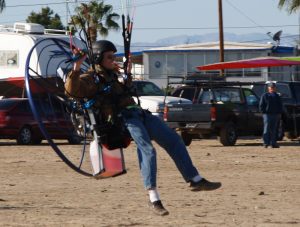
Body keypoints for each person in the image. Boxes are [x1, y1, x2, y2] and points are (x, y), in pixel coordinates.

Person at [65, 40, 221, 216]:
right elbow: (72, 90)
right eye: (109, 56)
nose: (112, 59)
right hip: (122, 119)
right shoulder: (91, 77)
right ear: (98, 58)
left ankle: (195, 180)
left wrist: (127, 74)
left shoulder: (113, 74)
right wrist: (77, 66)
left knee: (174, 140)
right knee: (148, 150)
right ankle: (154, 198)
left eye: (113, 56)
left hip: (139, 113)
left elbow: (128, 91)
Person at [259, 82, 283, 148]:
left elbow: (280, 105)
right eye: (271, 87)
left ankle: (273, 143)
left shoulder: (277, 96)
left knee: (274, 129)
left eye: (274, 87)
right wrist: (263, 112)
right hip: (267, 114)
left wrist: (279, 113)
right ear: (268, 88)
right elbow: (261, 105)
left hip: (275, 114)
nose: (272, 88)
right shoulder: (265, 95)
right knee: (266, 129)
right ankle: (266, 143)